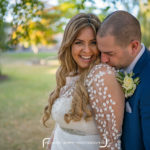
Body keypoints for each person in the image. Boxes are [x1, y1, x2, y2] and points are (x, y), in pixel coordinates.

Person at [43, 13, 124, 150]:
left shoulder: (103, 76)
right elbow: (59, 128)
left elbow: (110, 144)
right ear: (69, 45)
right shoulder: (69, 73)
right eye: (79, 42)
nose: (87, 50)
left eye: (93, 43)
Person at [96, 10, 150, 150]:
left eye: (109, 53)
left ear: (134, 46)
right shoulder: (114, 68)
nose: (103, 60)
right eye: (101, 52)